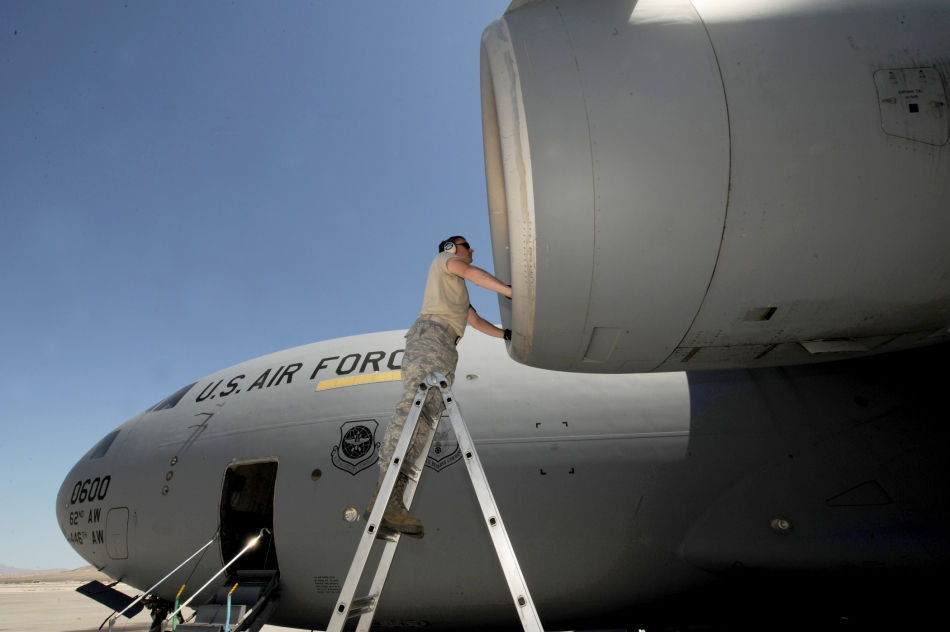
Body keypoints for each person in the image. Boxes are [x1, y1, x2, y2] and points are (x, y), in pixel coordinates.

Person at [370, 235, 512, 538]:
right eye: (466, 246)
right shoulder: (445, 262)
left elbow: (474, 320)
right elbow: (473, 273)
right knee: (412, 414)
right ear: (451, 249)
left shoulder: (457, 294)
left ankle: (393, 504)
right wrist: (512, 292)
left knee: (424, 424)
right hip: (431, 337)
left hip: (446, 345)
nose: (472, 250)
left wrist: (506, 335)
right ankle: (384, 498)